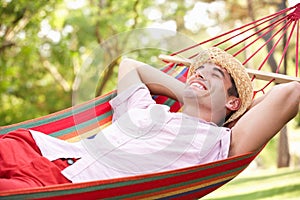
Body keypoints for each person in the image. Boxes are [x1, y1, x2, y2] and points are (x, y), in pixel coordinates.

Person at [0, 47, 299, 191]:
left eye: (214, 74)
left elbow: (290, 93)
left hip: (62, 189)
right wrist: (187, 91)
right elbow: (132, 66)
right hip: (37, 150)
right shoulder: (146, 110)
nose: (200, 74)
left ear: (232, 101)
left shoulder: (221, 143)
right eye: (198, 70)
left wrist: (248, 102)